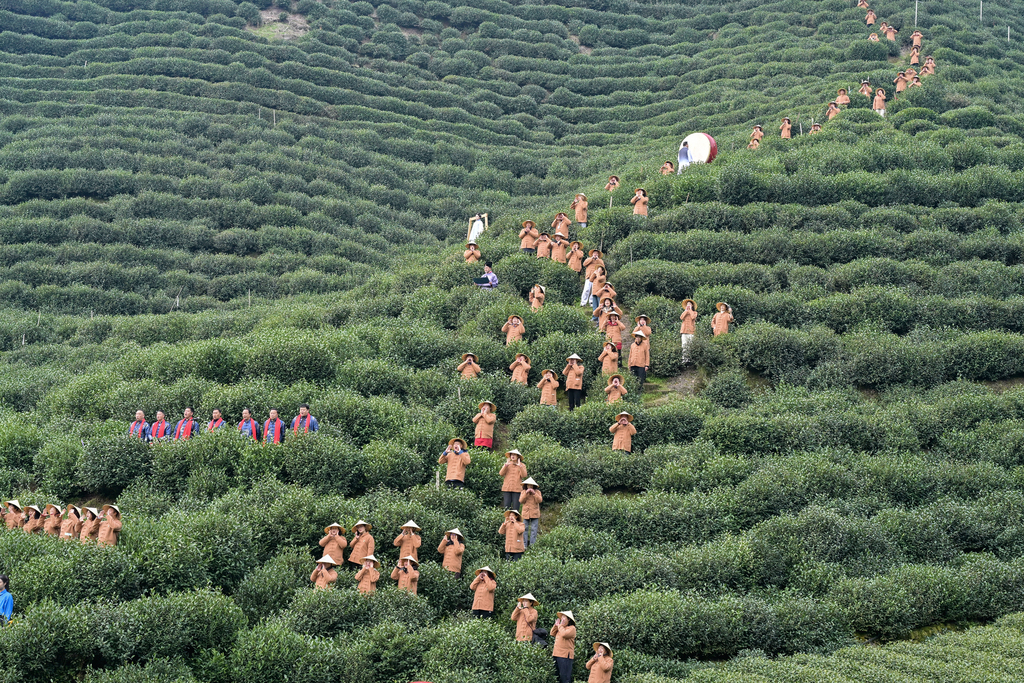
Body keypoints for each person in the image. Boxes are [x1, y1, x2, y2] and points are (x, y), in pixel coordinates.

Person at [551, 611, 577, 683]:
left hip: (565, 656)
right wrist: (556, 625)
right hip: (556, 654)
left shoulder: (572, 628)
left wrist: (560, 626)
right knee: (557, 676)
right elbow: (552, 633)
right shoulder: (561, 627)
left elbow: (564, 634)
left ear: (569, 619)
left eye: (564, 617)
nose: (562, 619)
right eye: (561, 617)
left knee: (565, 678)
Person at [520, 478, 542, 548]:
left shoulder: (538, 492)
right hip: (525, 514)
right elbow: (521, 501)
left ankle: (533, 546)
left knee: (534, 530)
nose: (530, 487)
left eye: (531, 486)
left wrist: (534, 493)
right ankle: (524, 546)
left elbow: (539, 500)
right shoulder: (523, 492)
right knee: (524, 530)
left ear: (533, 486)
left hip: (535, 514)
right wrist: (526, 493)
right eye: (528, 486)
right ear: (526, 486)